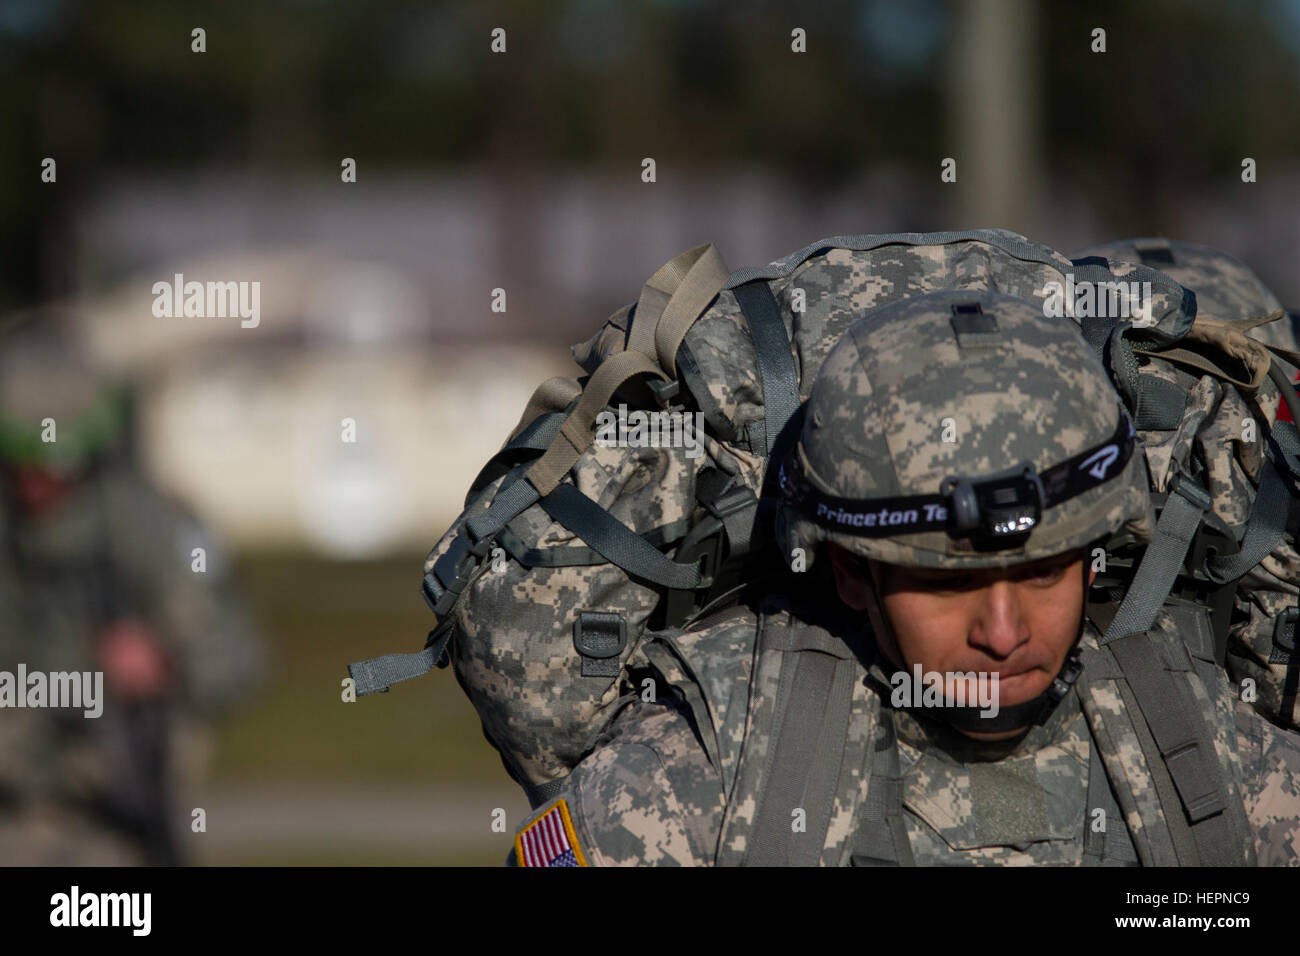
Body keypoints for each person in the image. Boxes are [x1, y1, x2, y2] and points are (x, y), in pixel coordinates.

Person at [506, 290, 1300, 866]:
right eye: (948, 583)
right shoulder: (705, 779)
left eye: (1045, 570)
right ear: (853, 570)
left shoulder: (1200, 748)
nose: (1004, 632)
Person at [0, 317, 264, 865]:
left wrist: (162, 659)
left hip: (114, 828)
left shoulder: (149, 527)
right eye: (19, 459)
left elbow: (236, 661)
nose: (34, 481)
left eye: (51, 463)